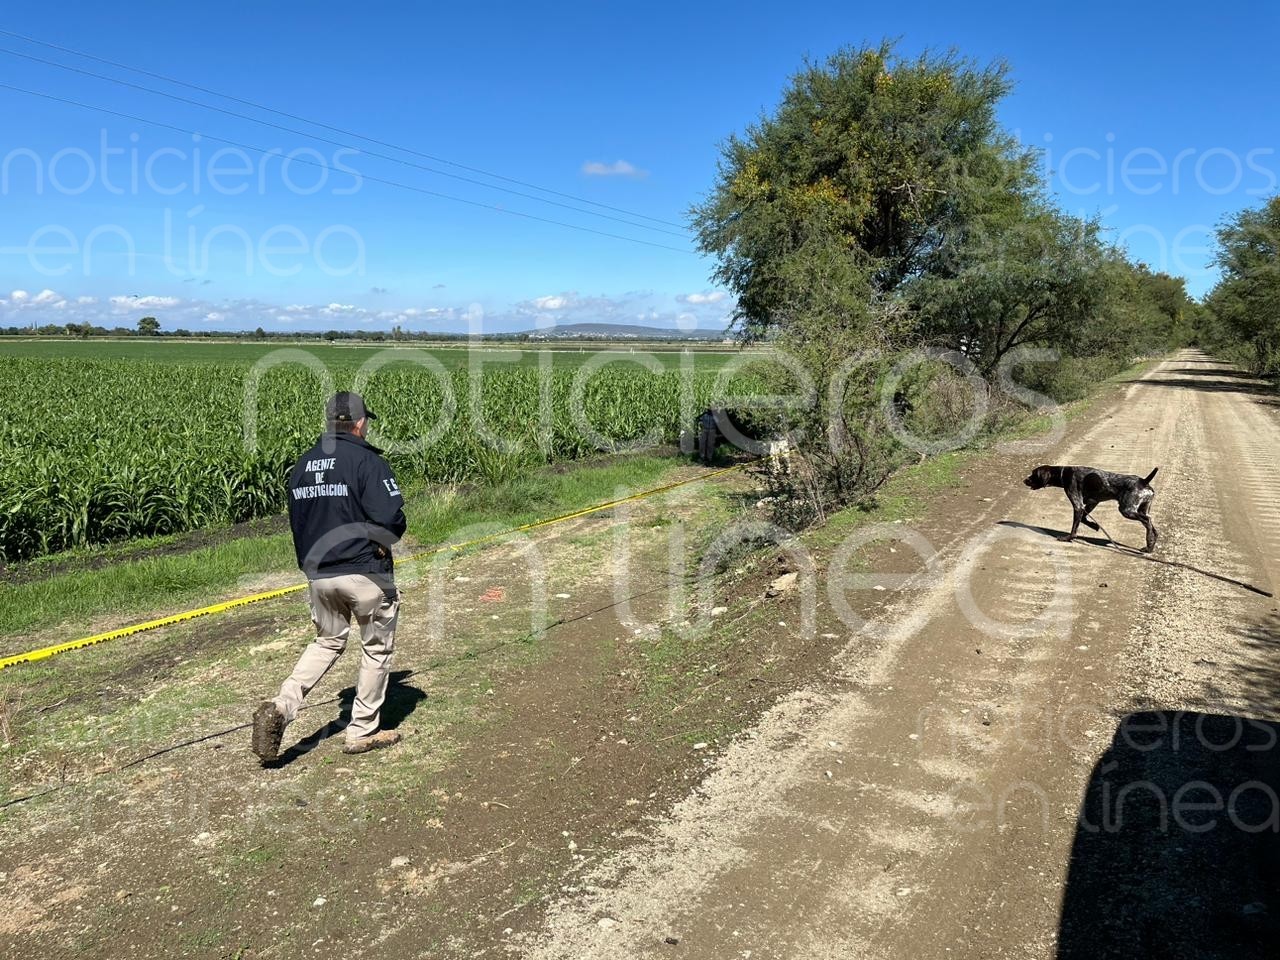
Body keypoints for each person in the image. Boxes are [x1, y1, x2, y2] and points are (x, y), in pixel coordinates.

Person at [252, 391, 408, 763]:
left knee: (326, 643)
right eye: (365, 421)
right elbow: (390, 519)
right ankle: (362, 730)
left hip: (318, 575)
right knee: (375, 648)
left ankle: (281, 705)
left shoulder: (303, 465)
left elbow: (297, 523)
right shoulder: (368, 462)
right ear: (358, 424)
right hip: (364, 573)